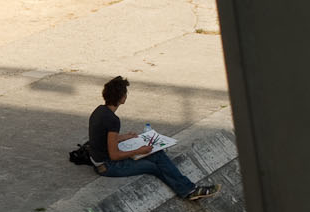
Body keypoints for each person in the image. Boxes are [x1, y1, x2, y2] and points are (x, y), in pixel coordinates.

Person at [87, 75, 219, 201]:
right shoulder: (113, 120)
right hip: (107, 166)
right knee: (153, 166)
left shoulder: (99, 110)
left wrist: (124, 137)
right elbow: (115, 155)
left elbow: (102, 137)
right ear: (122, 98)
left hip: (100, 160)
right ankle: (189, 190)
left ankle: (189, 190)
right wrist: (139, 151)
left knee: (157, 154)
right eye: (125, 93)